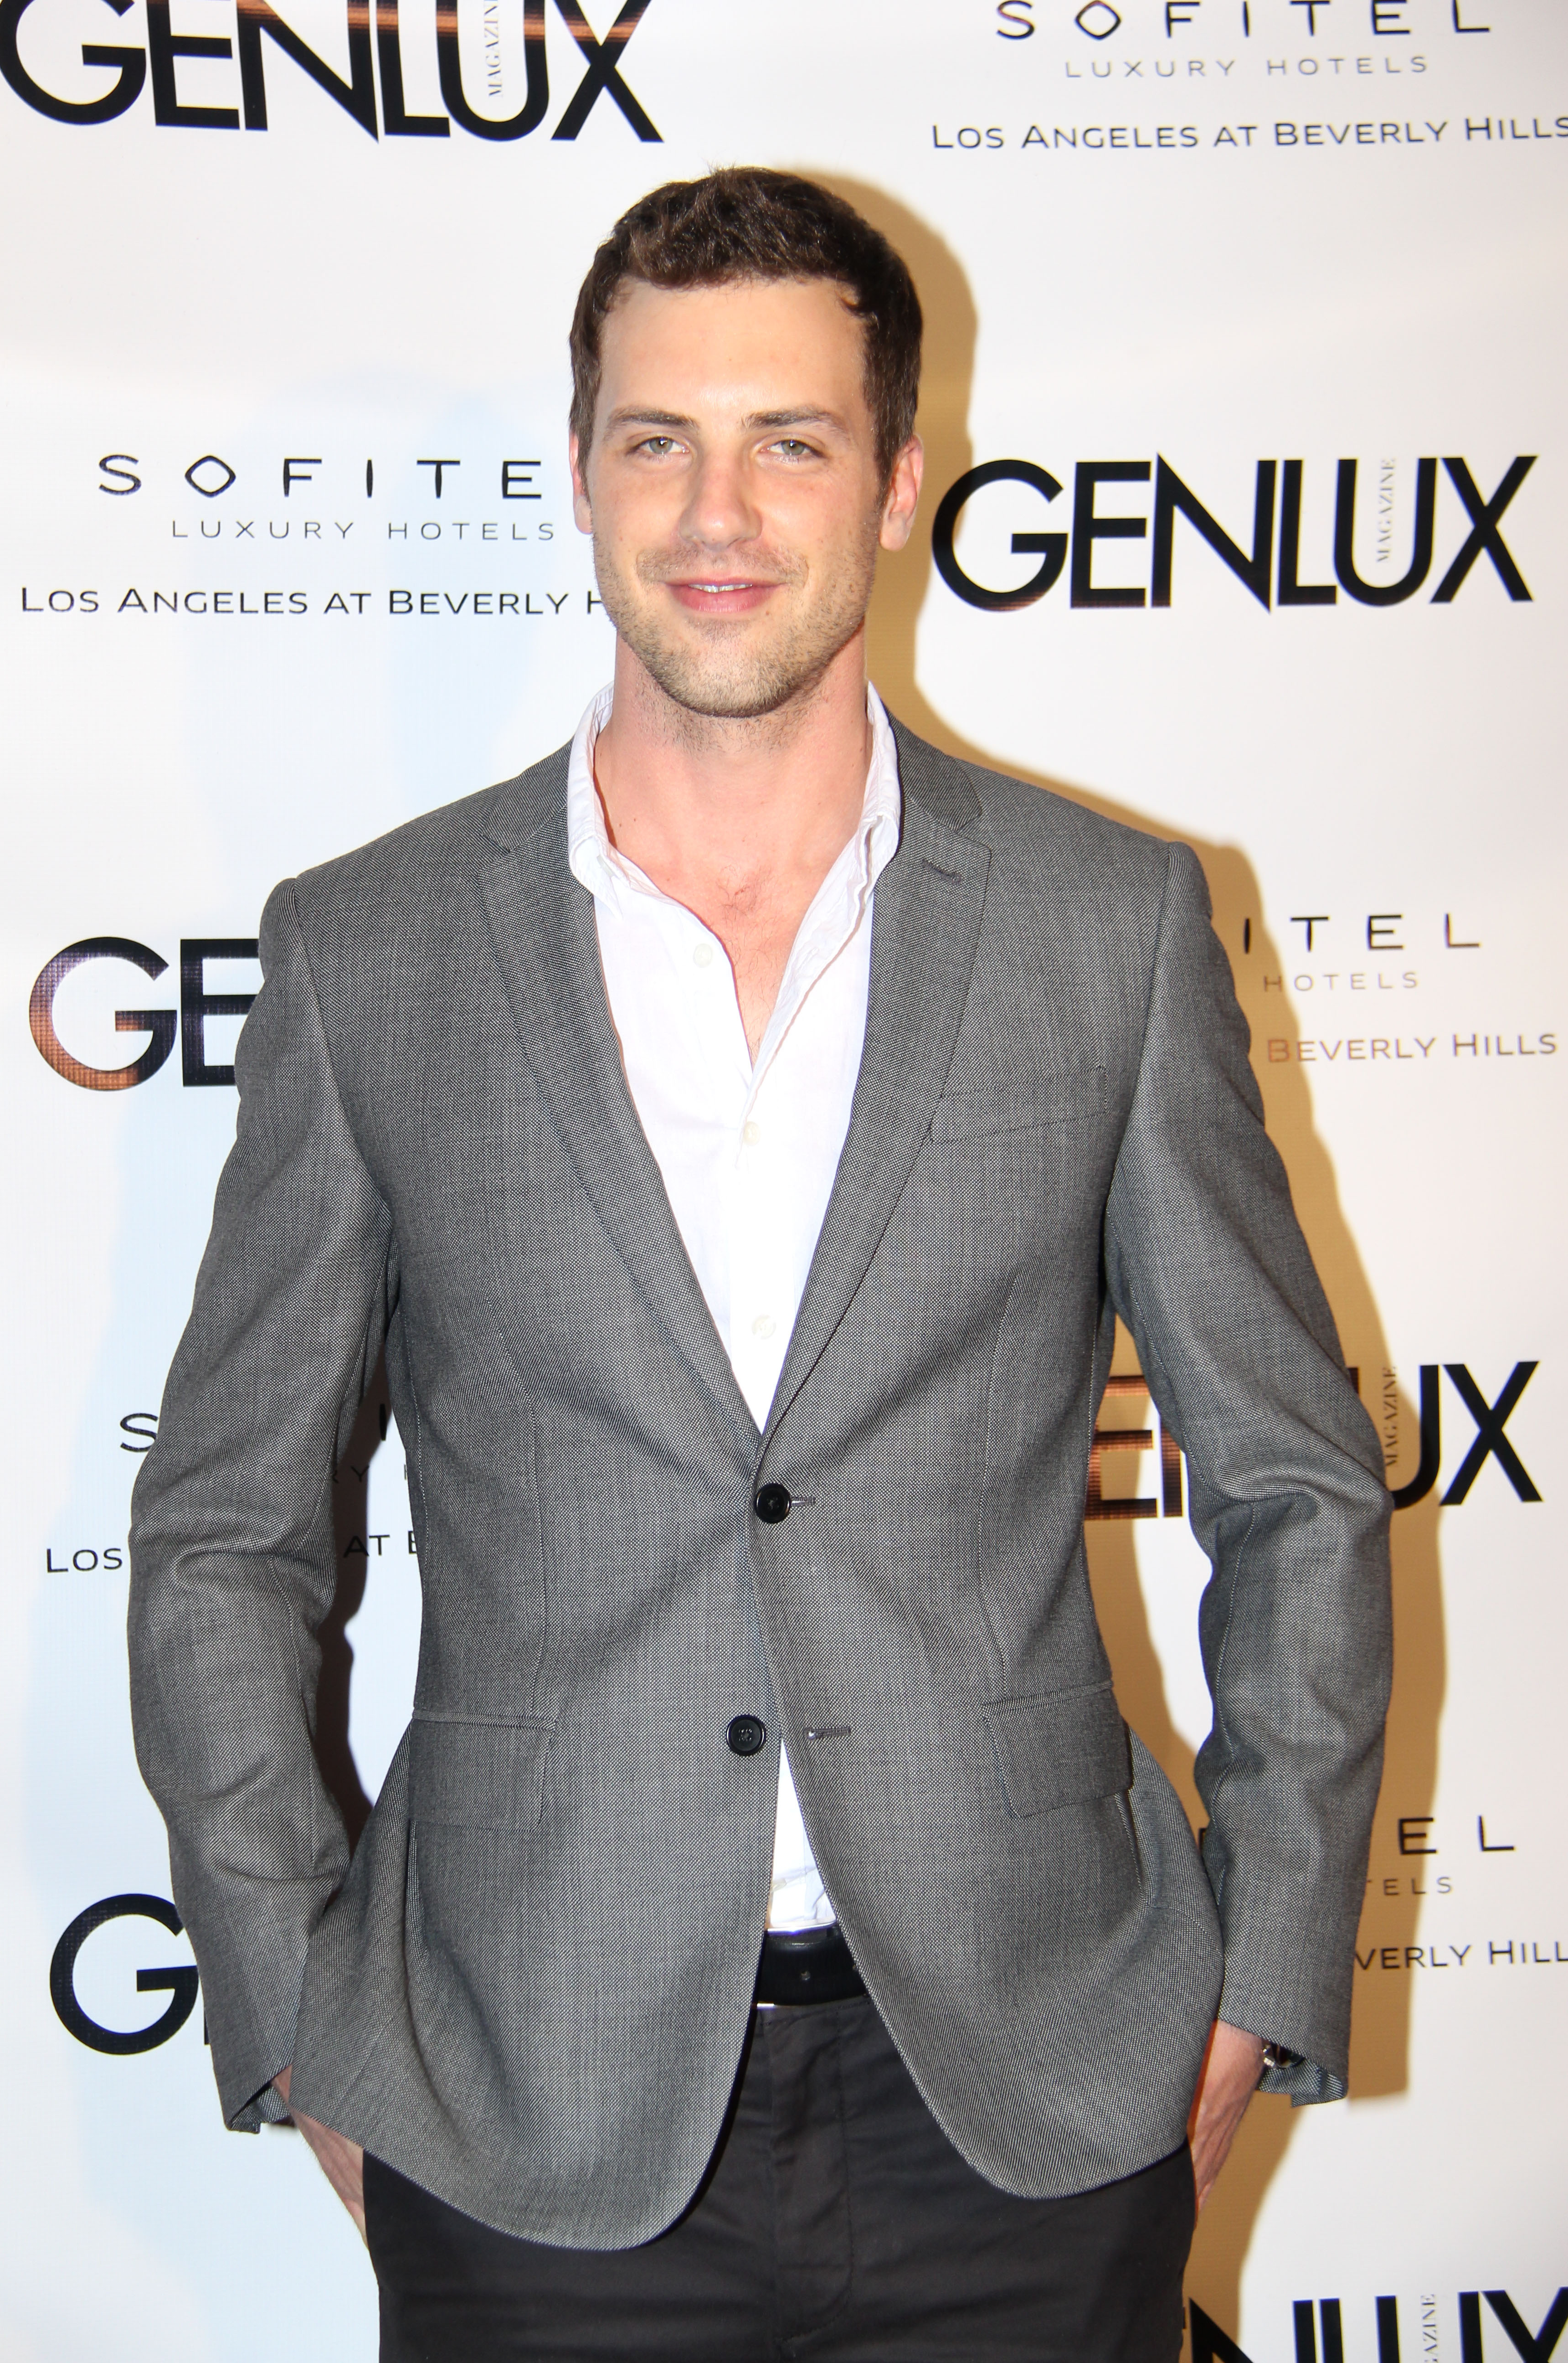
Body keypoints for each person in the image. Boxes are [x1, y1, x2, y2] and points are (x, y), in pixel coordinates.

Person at [128, 169, 1392, 2361]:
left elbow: (1292, 1482)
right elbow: (227, 1529)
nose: (717, 512)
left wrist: (1261, 1971)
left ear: (898, 482)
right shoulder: (369, 952)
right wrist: (297, 2010)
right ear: (581, 471)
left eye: (789, 441)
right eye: (659, 438)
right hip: (522, 2110)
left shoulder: (1106, 928)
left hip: (1034, 2094)